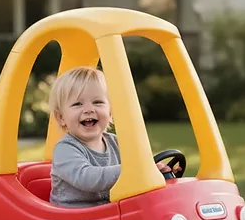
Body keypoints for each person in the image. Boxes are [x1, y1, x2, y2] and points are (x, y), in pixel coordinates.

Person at [47, 66, 173, 208]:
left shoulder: (115, 142)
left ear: (111, 111)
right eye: (77, 104)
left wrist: (155, 170)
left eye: (97, 102)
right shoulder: (65, 149)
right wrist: (132, 170)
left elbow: (136, 165)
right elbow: (87, 178)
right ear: (61, 117)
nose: (89, 109)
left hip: (109, 215)